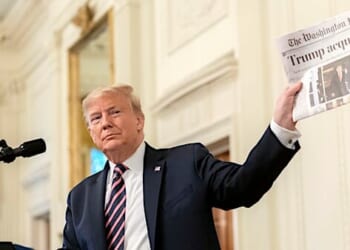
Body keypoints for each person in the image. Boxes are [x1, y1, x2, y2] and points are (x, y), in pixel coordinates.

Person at [61, 82, 302, 250]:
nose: (105, 123)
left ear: (138, 121)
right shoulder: (79, 198)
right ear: (91, 133)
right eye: (96, 118)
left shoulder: (187, 163)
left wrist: (280, 129)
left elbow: (243, 186)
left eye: (114, 112)